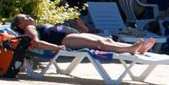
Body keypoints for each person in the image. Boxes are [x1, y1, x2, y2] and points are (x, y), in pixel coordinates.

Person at [11, 14, 154, 54]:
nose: (29, 17)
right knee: (100, 43)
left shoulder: (33, 26)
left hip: (70, 34)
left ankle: (137, 49)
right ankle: (130, 49)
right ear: (20, 25)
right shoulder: (29, 29)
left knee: (106, 41)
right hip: (64, 39)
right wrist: (56, 47)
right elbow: (36, 43)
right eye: (25, 18)